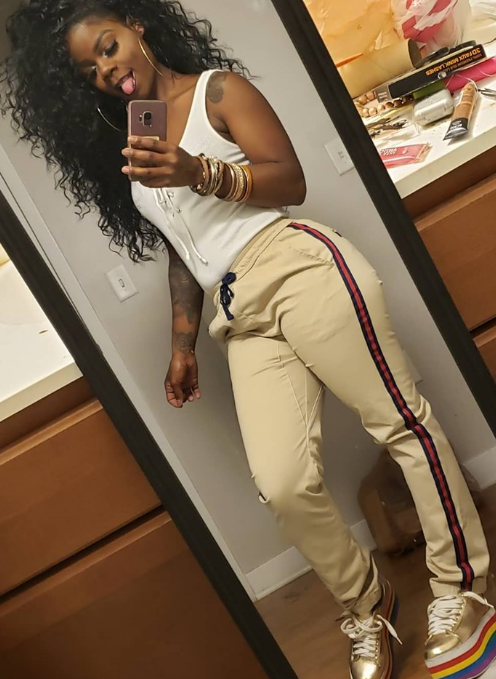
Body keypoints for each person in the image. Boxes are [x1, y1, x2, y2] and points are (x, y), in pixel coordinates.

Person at [2, 2, 495, 678]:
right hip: (237, 310)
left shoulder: (218, 92)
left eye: (108, 47)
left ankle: (462, 588)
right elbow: (183, 243)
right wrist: (182, 344)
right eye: (90, 69)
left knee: (401, 423)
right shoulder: (142, 126)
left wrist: (199, 171)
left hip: (296, 264)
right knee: (283, 484)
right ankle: (368, 603)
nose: (106, 70)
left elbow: (289, 178)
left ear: (137, 27)